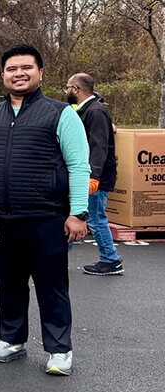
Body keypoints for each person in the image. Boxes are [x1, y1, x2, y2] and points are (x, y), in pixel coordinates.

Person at [0, 45, 90, 376]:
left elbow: (79, 165)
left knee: (51, 284)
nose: (18, 73)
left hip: (46, 217)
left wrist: (78, 213)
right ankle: (12, 341)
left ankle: (59, 349)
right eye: (12, 69)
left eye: (26, 67)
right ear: (2, 76)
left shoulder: (60, 114)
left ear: (40, 73)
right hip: (0, 219)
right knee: (9, 283)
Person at [66, 73, 123, 276]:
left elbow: (98, 146)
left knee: (95, 217)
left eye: (67, 88)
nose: (66, 92)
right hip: (89, 174)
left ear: (76, 90)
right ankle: (58, 256)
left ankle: (110, 260)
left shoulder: (96, 112)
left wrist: (94, 177)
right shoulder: (88, 110)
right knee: (77, 214)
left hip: (95, 176)